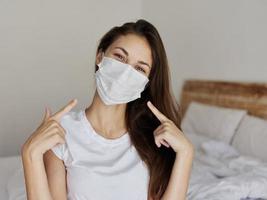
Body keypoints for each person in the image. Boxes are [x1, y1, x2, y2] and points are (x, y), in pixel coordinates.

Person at [21, 19, 194, 200]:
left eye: (139, 69)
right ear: (100, 56)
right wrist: (30, 154)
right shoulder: (62, 130)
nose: (125, 72)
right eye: (120, 57)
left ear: (145, 83)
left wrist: (186, 153)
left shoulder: (154, 138)